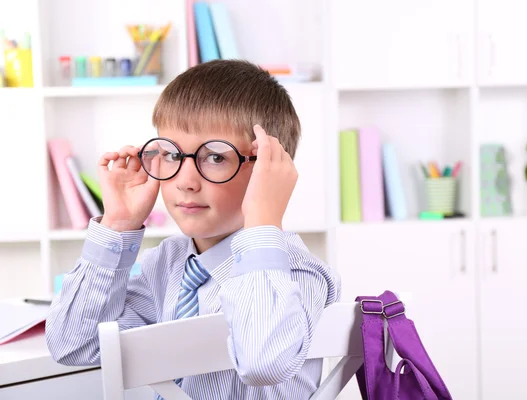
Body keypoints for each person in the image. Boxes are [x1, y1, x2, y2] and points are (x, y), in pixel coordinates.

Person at [45, 59, 342, 399]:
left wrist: (262, 218)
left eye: (215, 158)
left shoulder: (295, 271)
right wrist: (118, 224)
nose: (185, 182)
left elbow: (263, 363)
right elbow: (73, 344)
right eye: (172, 155)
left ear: (269, 168)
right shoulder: (169, 264)